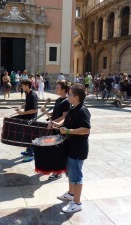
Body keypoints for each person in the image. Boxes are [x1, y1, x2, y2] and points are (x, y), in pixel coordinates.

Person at [56, 84, 91, 213]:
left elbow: (86, 129)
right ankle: (71, 194)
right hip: (70, 148)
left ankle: (77, 203)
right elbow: (67, 124)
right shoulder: (73, 108)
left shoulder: (82, 111)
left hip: (78, 149)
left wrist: (69, 131)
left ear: (76, 97)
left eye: (70, 94)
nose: (68, 96)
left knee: (77, 176)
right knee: (71, 174)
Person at [43, 80, 71, 180]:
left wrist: (54, 123)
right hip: (54, 128)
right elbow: (55, 114)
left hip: (60, 129)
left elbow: (64, 117)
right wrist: (46, 112)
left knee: (58, 151)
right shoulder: (59, 100)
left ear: (64, 90)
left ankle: (58, 172)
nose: (56, 89)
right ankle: (55, 169)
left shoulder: (67, 101)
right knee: (54, 150)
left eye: (58, 87)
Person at [16, 79, 38, 162]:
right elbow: (27, 103)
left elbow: (34, 110)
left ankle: (31, 154)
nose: (21, 87)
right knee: (28, 135)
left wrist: (23, 113)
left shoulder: (33, 95)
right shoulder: (27, 93)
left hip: (31, 119)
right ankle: (28, 150)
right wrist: (20, 107)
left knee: (31, 136)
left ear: (27, 85)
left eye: (22, 85)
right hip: (27, 117)